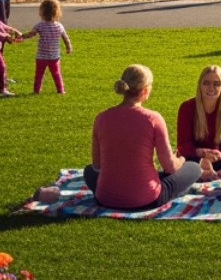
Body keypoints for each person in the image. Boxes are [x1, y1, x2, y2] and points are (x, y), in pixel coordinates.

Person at [86, 64, 204, 210]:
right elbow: (170, 167)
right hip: (146, 199)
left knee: (88, 171)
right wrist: (182, 160)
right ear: (145, 90)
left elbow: (97, 166)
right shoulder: (152, 119)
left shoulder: (101, 118)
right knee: (194, 168)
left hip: (105, 198)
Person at [176, 64, 221, 166]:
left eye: (216, 84)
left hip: (216, 160)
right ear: (200, 85)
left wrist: (219, 155)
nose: (211, 88)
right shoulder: (187, 107)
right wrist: (203, 153)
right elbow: (183, 145)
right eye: (206, 83)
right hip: (192, 160)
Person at [22, 0, 72, 95]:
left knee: (39, 74)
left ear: (42, 12)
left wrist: (22, 37)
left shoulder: (40, 25)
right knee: (56, 73)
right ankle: (60, 90)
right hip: (54, 56)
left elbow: (31, 34)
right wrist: (68, 47)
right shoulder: (59, 26)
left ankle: (36, 90)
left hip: (41, 56)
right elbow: (66, 38)